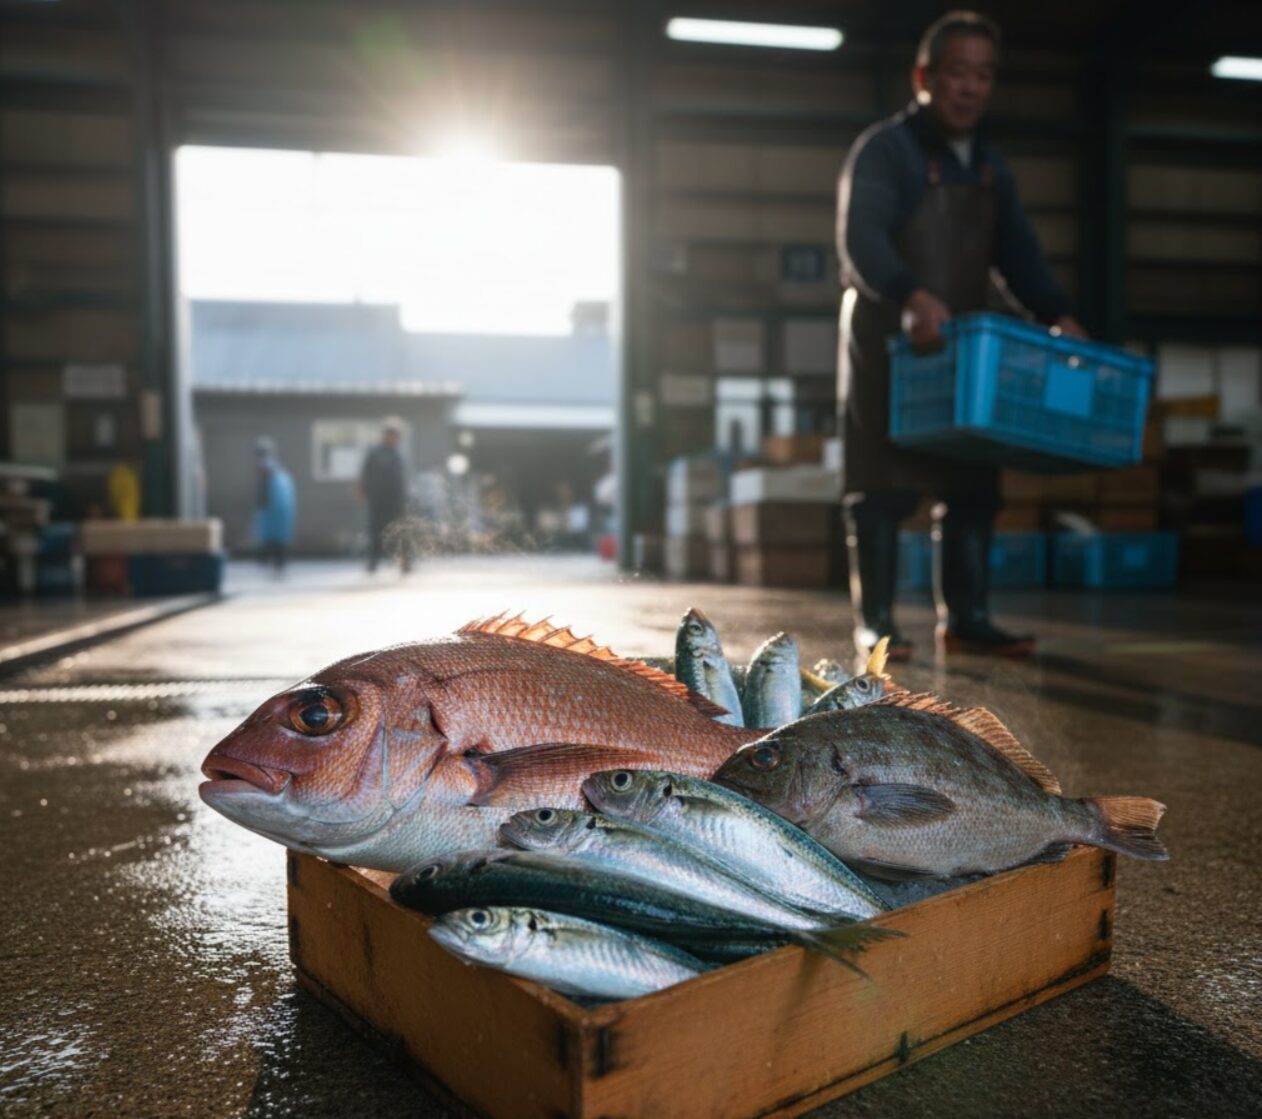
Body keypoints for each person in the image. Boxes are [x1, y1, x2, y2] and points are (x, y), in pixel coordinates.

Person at [836, 11, 1086, 662]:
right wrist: (912, 295)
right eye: (957, 73)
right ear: (925, 77)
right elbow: (861, 238)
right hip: (890, 340)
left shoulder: (990, 168)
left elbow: (1020, 256)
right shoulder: (886, 151)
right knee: (880, 484)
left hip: (962, 348)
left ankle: (967, 618)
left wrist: (1057, 313)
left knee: (973, 480)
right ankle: (877, 622)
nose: (970, 87)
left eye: (983, 75)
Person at [358, 417, 411, 573]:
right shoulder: (375, 453)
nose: (394, 438)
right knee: (376, 531)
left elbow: (402, 479)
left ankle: (405, 562)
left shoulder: (399, 454)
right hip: (378, 500)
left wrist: (405, 497)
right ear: (385, 435)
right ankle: (372, 562)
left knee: (401, 531)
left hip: (397, 501)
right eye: (391, 434)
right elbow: (365, 473)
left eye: (396, 435)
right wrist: (362, 490)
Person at [253, 438, 295, 572]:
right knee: (276, 537)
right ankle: (275, 561)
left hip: (274, 505)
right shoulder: (277, 467)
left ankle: (271, 560)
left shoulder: (267, 465)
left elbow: (265, 485)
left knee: (271, 536)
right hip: (280, 504)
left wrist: (262, 504)